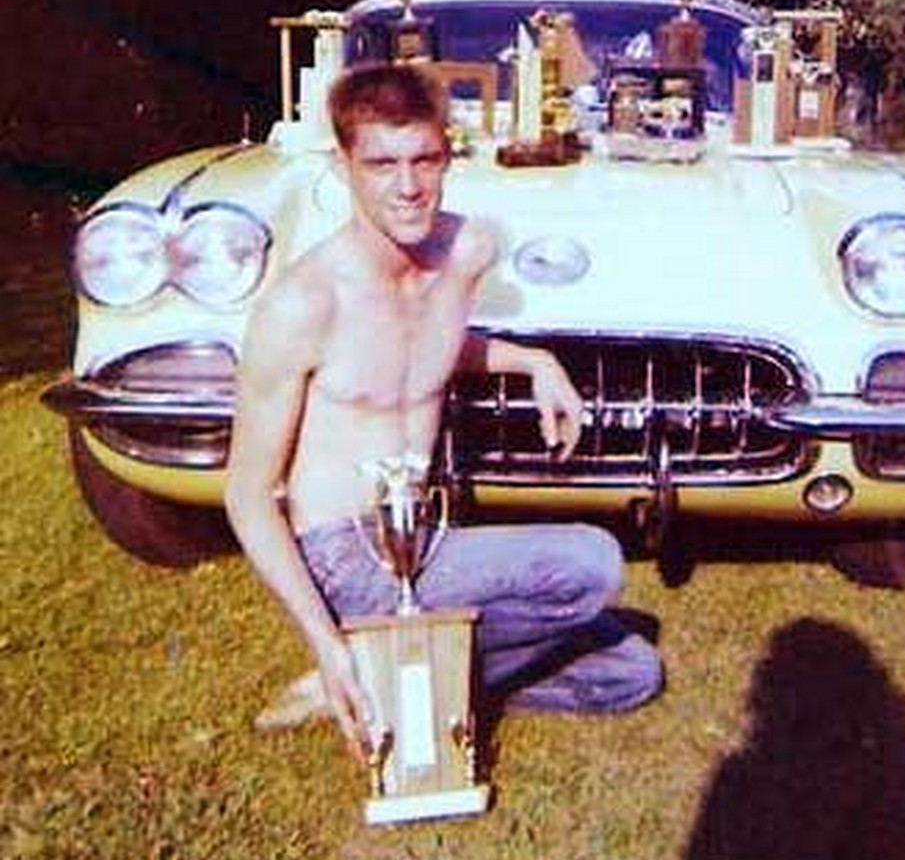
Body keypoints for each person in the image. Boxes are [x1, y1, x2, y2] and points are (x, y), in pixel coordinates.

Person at [225, 64, 662, 764]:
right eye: (382, 164)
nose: (407, 186)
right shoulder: (303, 304)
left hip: (425, 539)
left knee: (629, 672)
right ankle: (361, 667)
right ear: (344, 167)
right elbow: (246, 497)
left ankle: (403, 680)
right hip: (348, 556)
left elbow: (420, 352)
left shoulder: (465, 252)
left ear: (448, 156)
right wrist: (325, 644)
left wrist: (534, 363)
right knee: (591, 563)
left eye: (424, 159)